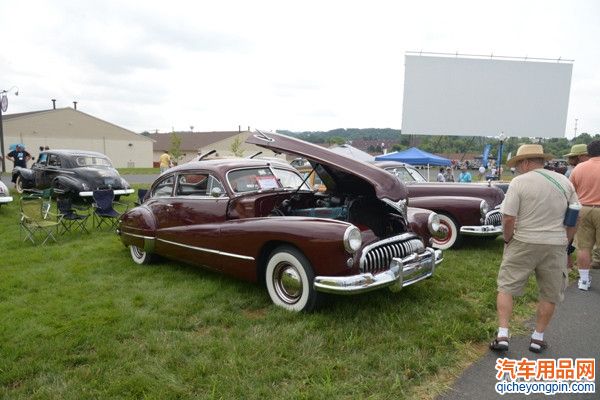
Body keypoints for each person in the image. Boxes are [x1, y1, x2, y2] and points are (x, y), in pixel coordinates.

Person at [490, 144, 578, 354]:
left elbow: (509, 217)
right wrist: (566, 243)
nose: (518, 168)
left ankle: (503, 334)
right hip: (555, 243)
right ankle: (537, 338)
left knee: (506, 286)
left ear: (526, 162)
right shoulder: (564, 181)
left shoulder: (519, 183)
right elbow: (574, 217)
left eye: (519, 164)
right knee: (550, 292)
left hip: (523, 240)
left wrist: (508, 238)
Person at [569, 140, 600, 290]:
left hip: (583, 209)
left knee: (584, 247)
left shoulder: (579, 168)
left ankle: (584, 281)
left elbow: (571, 190)